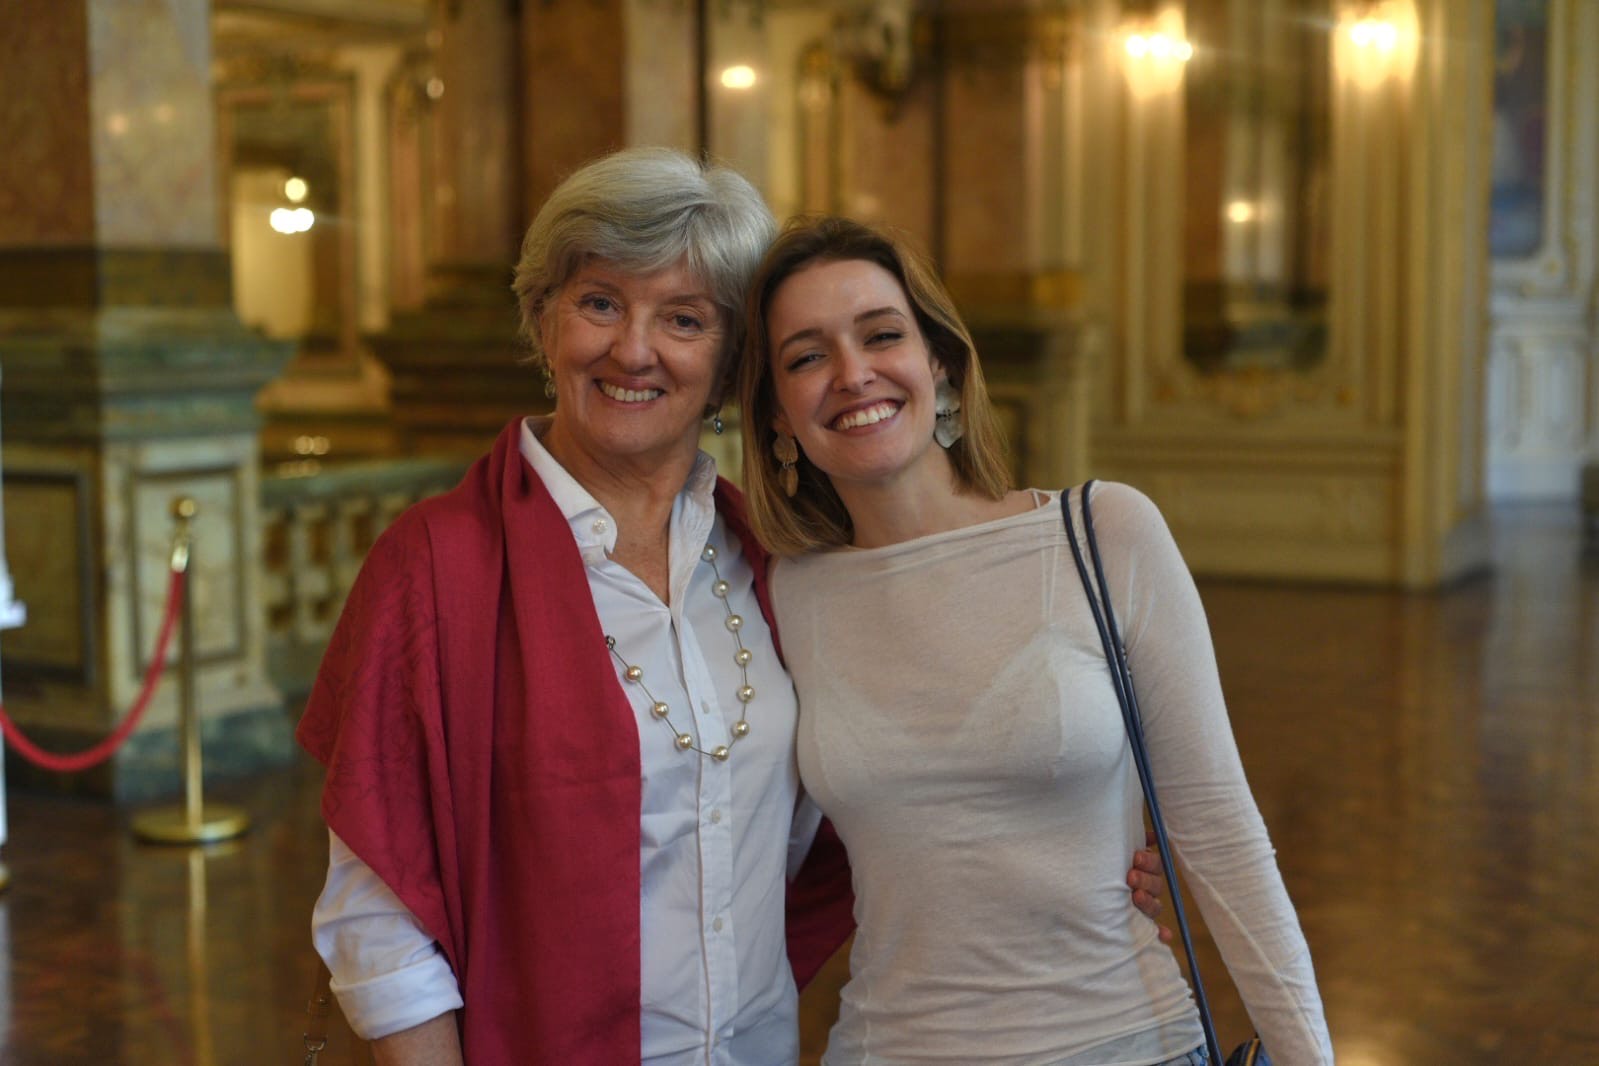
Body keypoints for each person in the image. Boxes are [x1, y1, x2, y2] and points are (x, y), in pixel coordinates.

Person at [297, 149, 1169, 1065]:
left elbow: (900, 786)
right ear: (542, 320)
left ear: (729, 367)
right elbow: (379, 918)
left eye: (684, 318)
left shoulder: (774, 562)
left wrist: (1079, 847)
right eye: (599, 302)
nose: (633, 350)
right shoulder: (438, 565)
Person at [738, 215, 1335, 1066]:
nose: (851, 373)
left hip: (1130, 1043)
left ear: (941, 363)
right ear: (775, 411)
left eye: (881, 335)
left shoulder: (1103, 533)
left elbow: (1219, 830)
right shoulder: (781, 594)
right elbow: (744, 848)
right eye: (806, 357)